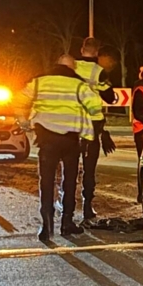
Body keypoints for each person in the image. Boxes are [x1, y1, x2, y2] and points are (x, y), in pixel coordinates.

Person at [16, 55, 102, 242]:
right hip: (71, 140)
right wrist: (91, 123)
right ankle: (67, 223)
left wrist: (23, 120)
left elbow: (18, 99)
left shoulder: (39, 82)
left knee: (46, 182)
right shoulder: (79, 85)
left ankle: (46, 226)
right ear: (72, 68)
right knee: (69, 181)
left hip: (46, 140)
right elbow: (96, 106)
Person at [73, 37, 117, 221]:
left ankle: (66, 204)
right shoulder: (99, 71)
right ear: (97, 52)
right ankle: (87, 206)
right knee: (89, 169)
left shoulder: (71, 67)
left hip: (72, 123)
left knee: (70, 167)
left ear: (82, 49)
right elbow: (109, 97)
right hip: (92, 125)